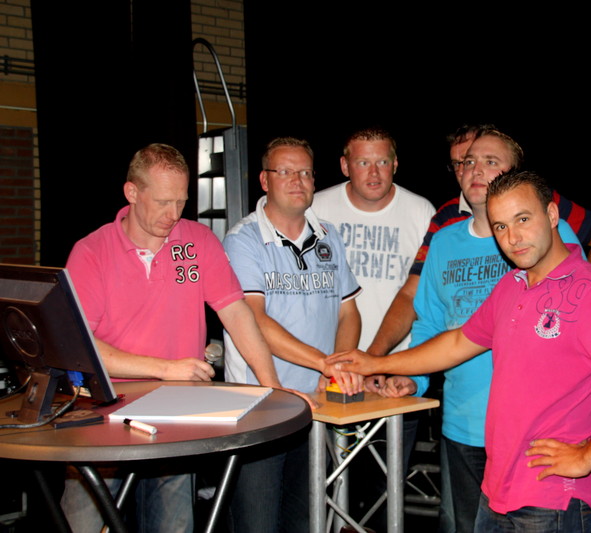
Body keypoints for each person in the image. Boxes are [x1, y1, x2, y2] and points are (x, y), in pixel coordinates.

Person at [328, 169, 591, 532]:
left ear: (552, 215)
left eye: (523, 219)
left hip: (552, 498)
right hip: (497, 489)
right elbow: (456, 343)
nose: (512, 238)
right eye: (500, 226)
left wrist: (587, 457)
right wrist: (376, 362)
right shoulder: (511, 285)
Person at [61, 143, 287, 533]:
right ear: (132, 192)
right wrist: (166, 368)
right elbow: (81, 346)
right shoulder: (92, 252)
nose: (173, 214)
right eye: (163, 202)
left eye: (181, 201)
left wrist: (272, 387)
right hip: (103, 410)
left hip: (175, 413)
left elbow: (236, 314)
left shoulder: (197, 241)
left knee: (174, 524)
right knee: (85, 521)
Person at [378, 130, 584, 532]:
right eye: (469, 161)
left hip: (537, 435)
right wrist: (415, 379)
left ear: (515, 174)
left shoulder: (548, 235)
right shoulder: (443, 242)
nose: (476, 169)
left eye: (491, 161)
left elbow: (581, 322)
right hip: (463, 426)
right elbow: (431, 324)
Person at [368, 123, 591, 357]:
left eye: (488, 161)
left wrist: (577, 296)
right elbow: (426, 309)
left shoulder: (544, 208)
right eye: (462, 163)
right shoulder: (445, 225)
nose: (471, 171)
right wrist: (383, 363)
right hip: (461, 379)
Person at [222, 136, 362, 533]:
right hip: (259, 409)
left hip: (317, 408)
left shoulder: (329, 235)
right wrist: (323, 362)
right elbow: (253, 320)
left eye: (305, 172)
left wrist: (336, 367)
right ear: (264, 180)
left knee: (305, 521)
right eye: (285, 171)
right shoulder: (243, 239)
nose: (297, 181)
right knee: (258, 523)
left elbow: (349, 312)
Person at [313, 127, 434, 355]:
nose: (374, 173)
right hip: (326, 356)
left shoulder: (421, 212)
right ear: (345, 166)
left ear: (395, 164)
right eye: (363, 163)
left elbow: (426, 295)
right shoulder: (316, 209)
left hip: (397, 358)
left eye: (382, 162)